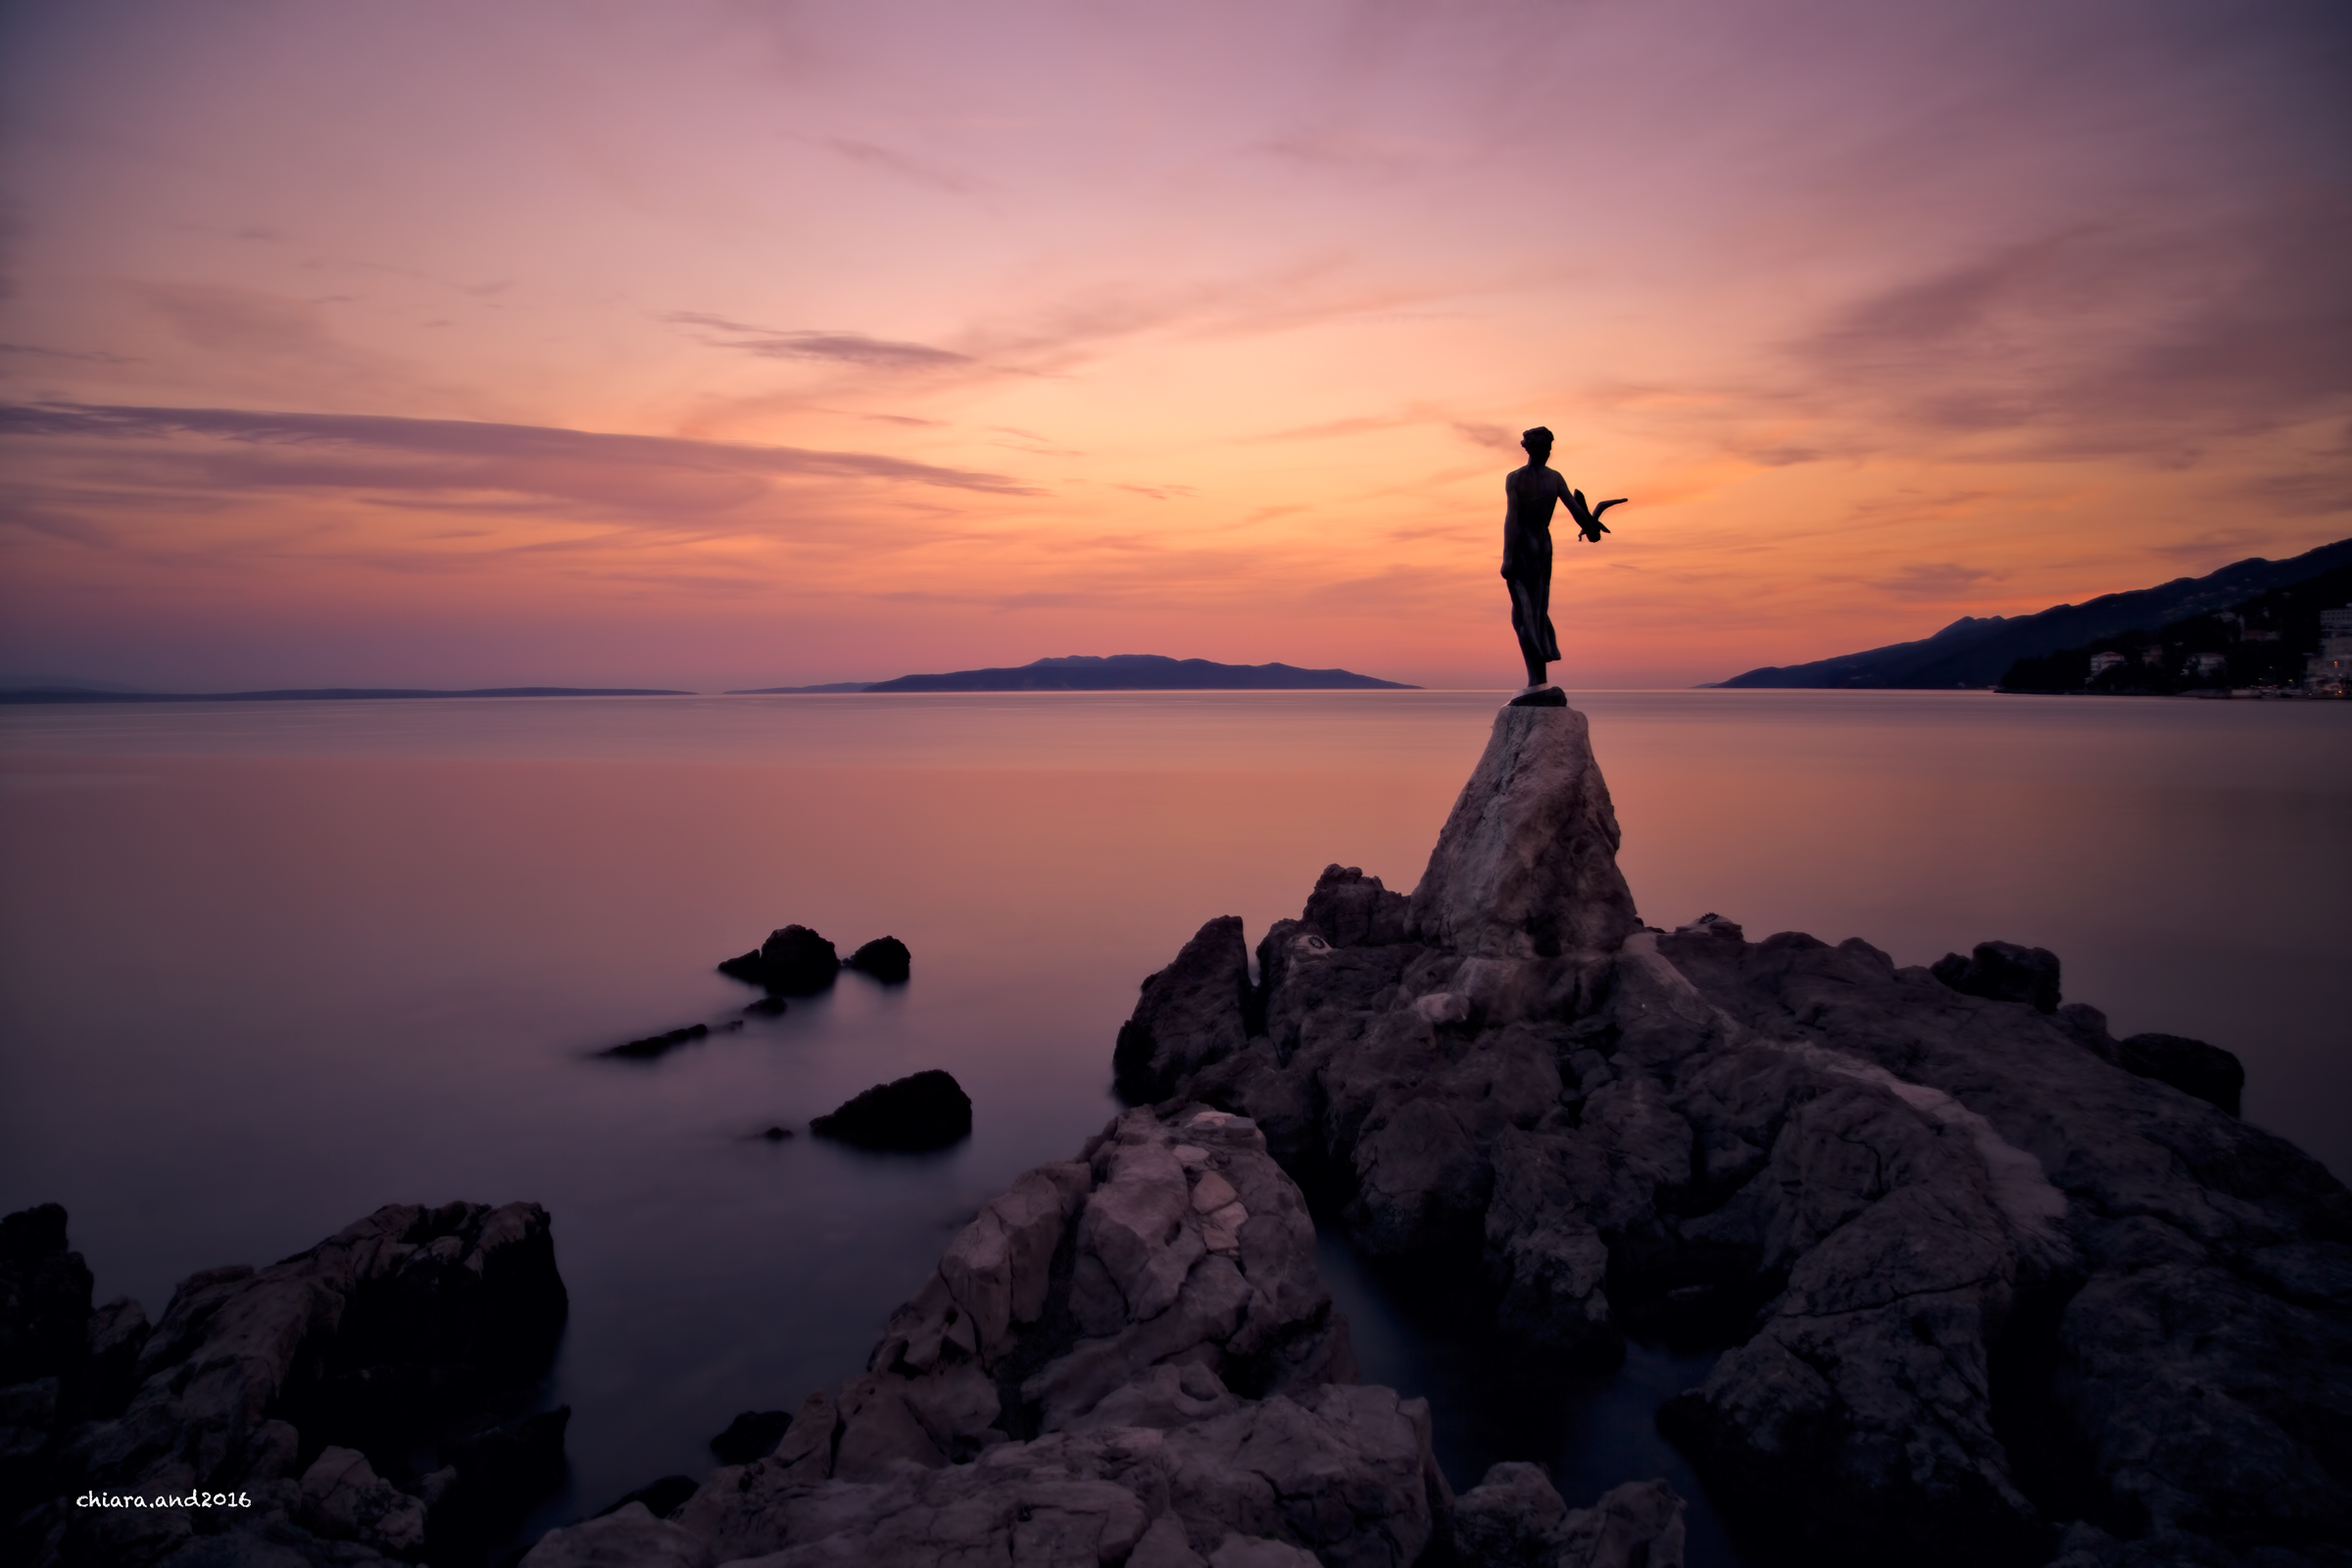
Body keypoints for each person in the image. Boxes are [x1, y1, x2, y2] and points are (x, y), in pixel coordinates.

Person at [1501, 426, 1621, 690]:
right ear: (1533, 448)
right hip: (1542, 544)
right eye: (1546, 447)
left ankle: (1537, 679)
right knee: (1534, 609)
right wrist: (1590, 527)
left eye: (1549, 448)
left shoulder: (1517, 478)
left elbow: (1513, 518)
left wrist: (1508, 556)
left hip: (1525, 544)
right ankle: (1539, 677)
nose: (1548, 452)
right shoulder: (1552, 478)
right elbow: (1576, 510)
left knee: (1525, 613)